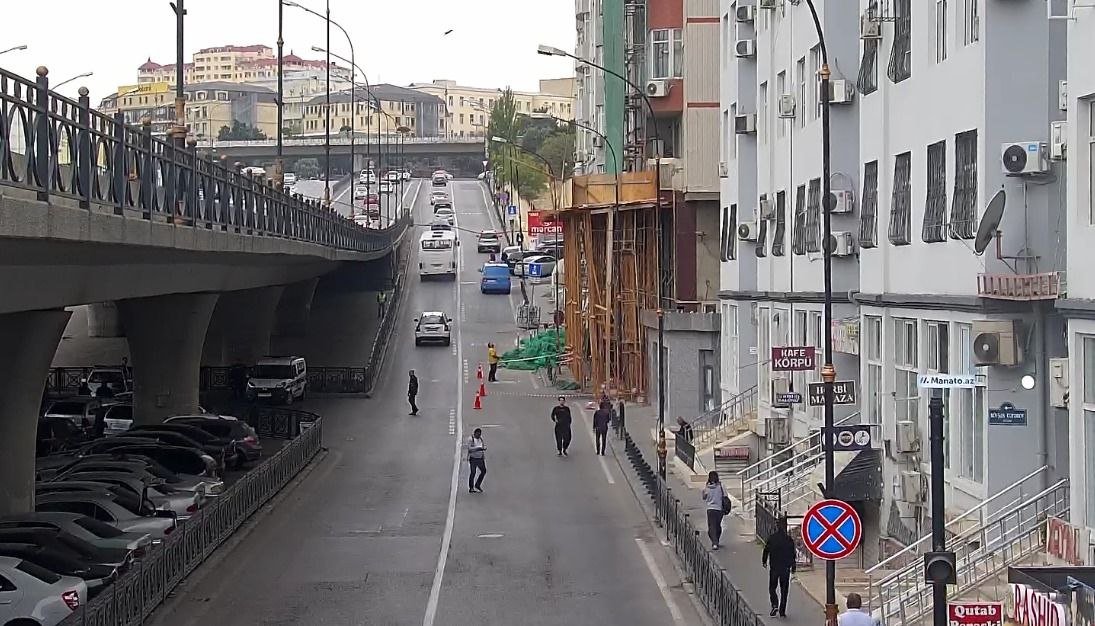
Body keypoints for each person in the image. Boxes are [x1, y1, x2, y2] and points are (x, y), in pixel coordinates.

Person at [762, 516, 797, 618]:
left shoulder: (772, 538)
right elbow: (792, 554)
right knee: (784, 590)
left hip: (774, 568)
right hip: (785, 569)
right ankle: (782, 611)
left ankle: (774, 604)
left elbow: (766, 549)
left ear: (777, 526)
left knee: (772, 588)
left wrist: (764, 561)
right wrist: (793, 566)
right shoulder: (789, 540)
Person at [701, 471, 729, 550]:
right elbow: (726, 496)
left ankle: (714, 542)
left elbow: (704, 497)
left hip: (710, 509)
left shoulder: (707, 487)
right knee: (717, 526)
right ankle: (716, 540)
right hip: (719, 509)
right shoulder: (721, 486)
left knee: (711, 527)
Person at [467, 428, 487, 493]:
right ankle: (471, 487)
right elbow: (470, 449)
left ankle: (477, 485)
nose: (479, 435)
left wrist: (483, 453)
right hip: (473, 459)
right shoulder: (471, 439)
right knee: (473, 472)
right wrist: (478, 449)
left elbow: (482, 446)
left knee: (483, 471)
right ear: (475, 433)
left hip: (480, 458)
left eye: (480, 434)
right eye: (478, 434)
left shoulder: (481, 439)